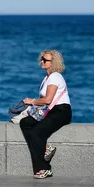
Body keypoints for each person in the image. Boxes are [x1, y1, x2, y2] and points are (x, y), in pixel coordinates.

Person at [20, 50, 72, 179]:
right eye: (42, 59)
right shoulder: (46, 78)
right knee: (25, 123)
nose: (42, 61)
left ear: (53, 63)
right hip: (51, 110)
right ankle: (46, 148)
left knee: (36, 132)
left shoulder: (55, 76)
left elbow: (48, 99)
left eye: (46, 60)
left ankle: (45, 169)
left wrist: (31, 101)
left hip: (61, 111)